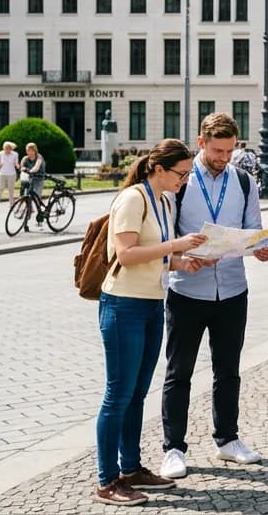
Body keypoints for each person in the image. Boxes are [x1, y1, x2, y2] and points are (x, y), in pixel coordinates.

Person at [94, 139, 208, 506]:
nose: (183, 180)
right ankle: (107, 479)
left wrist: (180, 261)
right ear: (159, 169)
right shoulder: (133, 199)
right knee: (118, 395)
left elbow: (152, 254)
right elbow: (125, 254)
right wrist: (175, 246)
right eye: (180, 174)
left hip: (150, 304)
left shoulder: (163, 200)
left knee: (138, 393)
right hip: (123, 304)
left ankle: (130, 468)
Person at [159, 113, 268, 480]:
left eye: (230, 150)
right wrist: (181, 259)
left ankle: (227, 440)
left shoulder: (243, 179)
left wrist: (259, 247)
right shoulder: (183, 181)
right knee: (179, 372)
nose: (225, 157)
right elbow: (165, 234)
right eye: (218, 150)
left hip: (232, 288)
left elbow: (253, 228)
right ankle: (173, 448)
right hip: (187, 289)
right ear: (201, 142)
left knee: (228, 371)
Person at [0, 140, 18, 209]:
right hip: (2, 174)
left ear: (11, 148)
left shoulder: (15, 154)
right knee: (0, 188)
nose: (7, 150)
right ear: (3, 148)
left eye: (8, 148)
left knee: (11, 190)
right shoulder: (0, 154)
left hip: (12, 174)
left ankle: (11, 205)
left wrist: (18, 166)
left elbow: (16, 163)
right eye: (5, 148)